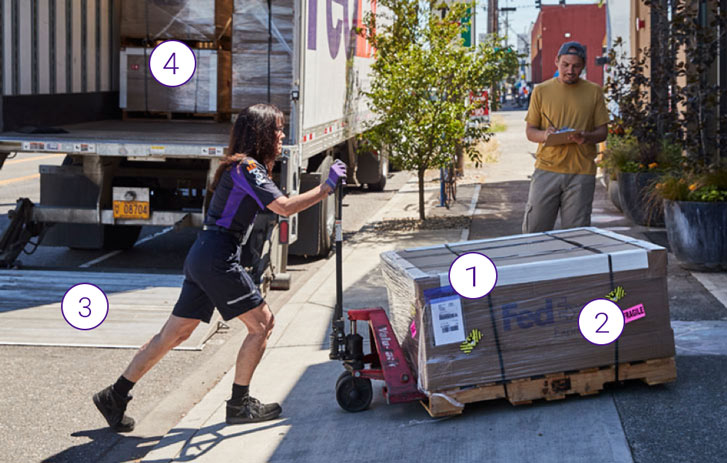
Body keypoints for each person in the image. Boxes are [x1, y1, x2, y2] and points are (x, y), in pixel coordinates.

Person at [93, 104, 347, 432]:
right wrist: (326, 187)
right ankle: (240, 404)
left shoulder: (239, 166)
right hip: (217, 257)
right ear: (261, 133)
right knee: (262, 324)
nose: (282, 135)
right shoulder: (248, 168)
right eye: (277, 129)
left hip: (204, 252)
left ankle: (115, 394)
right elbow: (283, 208)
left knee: (173, 335)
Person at [522, 41, 609, 233]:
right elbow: (530, 132)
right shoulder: (541, 91)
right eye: (566, 65)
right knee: (534, 231)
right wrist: (545, 135)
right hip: (547, 170)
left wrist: (585, 137)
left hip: (581, 173)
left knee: (576, 236)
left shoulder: (594, 91)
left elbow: (602, 132)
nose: (570, 70)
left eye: (576, 66)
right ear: (556, 62)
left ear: (583, 66)